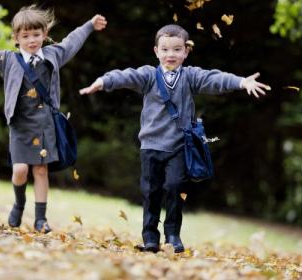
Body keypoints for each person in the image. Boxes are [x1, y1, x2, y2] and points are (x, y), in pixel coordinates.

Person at [79, 24, 269, 253]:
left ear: (186, 52)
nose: (171, 55)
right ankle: (150, 237)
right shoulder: (149, 75)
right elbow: (127, 75)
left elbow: (214, 79)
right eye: (166, 49)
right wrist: (104, 81)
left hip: (179, 146)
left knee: (175, 187)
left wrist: (241, 82)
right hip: (150, 146)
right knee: (151, 192)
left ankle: (172, 235)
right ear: (156, 51)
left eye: (177, 49)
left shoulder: (190, 77)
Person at [0, 5, 107, 232]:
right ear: (16, 38)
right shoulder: (8, 60)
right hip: (21, 125)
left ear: (44, 34)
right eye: (25, 36)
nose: (32, 40)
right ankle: (19, 203)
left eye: (36, 35)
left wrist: (90, 25)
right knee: (20, 170)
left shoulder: (53, 55)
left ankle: (40, 219)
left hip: (45, 124)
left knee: (41, 171)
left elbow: (72, 41)